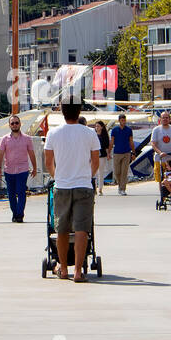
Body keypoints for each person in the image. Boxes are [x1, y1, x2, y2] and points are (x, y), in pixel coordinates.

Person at [44, 102, 100, 282]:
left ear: (62, 111)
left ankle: (64, 269)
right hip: (83, 185)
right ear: (79, 112)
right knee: (82, 229)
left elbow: (48, 162)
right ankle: (77, 271)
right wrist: (86, 176)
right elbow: (96, 162)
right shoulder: (90, 133)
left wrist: (57, 175)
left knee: (62, 229)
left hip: (62, 186)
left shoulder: (53, 133)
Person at [0, 114, 36, 223]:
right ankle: (15, 213)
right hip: (9, 170)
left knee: (21, 192)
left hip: (22, 170)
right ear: (9, 125)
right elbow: (0, 154)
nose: (14, 125)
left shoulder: (27, 139)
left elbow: (31, 153)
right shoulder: (4, 139)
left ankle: (19, 214)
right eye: (12, 123)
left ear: (20, 124)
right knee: (11, 194)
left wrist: (35, 167)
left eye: (16, 123)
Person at [150, 112, 171, 187]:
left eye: (167, 117)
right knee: (161, 178)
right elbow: (153, 144)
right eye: (163, 117)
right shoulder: (156, 130)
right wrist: (160, 153)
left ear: (169, 119)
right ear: (160, 119)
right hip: (160, 158)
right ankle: (163, 195)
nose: (165, 119)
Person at [110, 113, 135, 195]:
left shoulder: (129, 130)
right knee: (117, 172)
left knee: (124, 171)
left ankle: (122, 189)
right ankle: (120, 185)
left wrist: (133, 152)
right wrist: (108, 152)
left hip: (126, 152)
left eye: (124, 120)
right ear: (119, 121)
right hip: (117, 152)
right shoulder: (114, 130)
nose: (123, 122)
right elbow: (112, 141)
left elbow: (131, 141)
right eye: (122, 120)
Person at [92, 120, 111, 195]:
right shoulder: (93, 135)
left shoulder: (105, 136)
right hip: (94, 155)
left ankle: (100, 188)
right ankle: (95, 188)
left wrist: (108, 154)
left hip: (102, 155)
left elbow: (107, 146)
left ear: (102, 127)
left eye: (98, 126)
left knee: (101, 172)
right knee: (94, 173)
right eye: (96, 126)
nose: (97, 128)